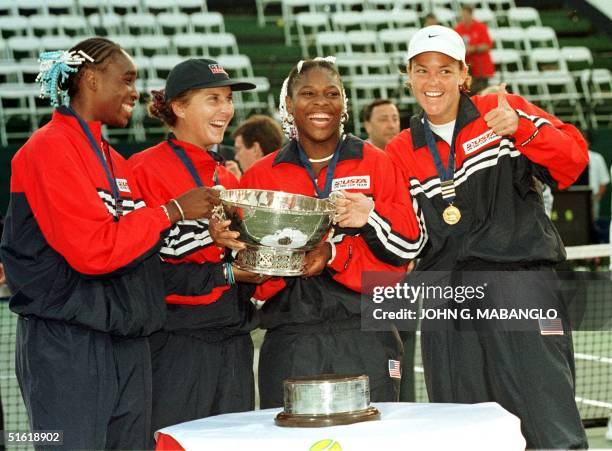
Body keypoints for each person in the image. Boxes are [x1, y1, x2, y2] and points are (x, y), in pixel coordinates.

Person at [0, 38, 219, 449]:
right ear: (90, 79)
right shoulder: (46, 149)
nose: (135, 92)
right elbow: (94, 251)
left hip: (127, 339)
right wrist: (171, 211)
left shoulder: (114, 160)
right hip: (68, 344)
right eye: (127, 79)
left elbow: (140, 246)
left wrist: (208, 238)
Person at [381, 25, 588, 449]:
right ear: (409, 77)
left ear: (463, 75)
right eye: (422, 71)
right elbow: (405, 236)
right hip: (448, 300)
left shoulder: (501, 110)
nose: (433, 82)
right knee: (462, 427)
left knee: (547, 419)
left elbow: (574, 161)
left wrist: (522, 130)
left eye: (444, 70)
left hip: (520, 285)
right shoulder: (401, 149)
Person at [211, 57, 427, 408]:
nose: (321, 103)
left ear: (344, 103)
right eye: (308, 93)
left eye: (331, 93)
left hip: (366, 332)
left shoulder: (377, 163)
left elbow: (407, 248)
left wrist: (337, 254)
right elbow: (246, 267)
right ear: (289, 105)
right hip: (290, 335)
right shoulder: (262, 177)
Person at [129, 58, 268, 435]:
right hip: (177, 345)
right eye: (213, 99)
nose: (225, 109)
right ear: (178, 106)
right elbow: (142, 261)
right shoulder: (141, 169)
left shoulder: (224, 173)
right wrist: (222, 267)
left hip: (234, 341)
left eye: (227, 99)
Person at [454, 5, 495, 95]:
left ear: (470, 15)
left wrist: (473, 48)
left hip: (480, 67)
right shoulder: (458, 29)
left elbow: (487, 45)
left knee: (481, 93)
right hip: (467, 67)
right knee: (467, 93)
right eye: (462, 15)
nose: (463, 18)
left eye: (465, 15)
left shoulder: (480, 27)